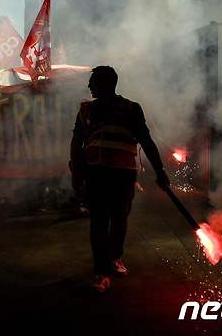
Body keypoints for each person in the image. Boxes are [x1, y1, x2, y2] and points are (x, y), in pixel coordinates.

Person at [70, 66, 170, 292]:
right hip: (95, 173)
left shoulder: (131, 110)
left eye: (93, 81)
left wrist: (160, 171)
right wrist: (77, 173)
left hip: (122, 175)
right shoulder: (85, 110)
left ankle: (115, 258)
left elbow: (146, 141)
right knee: (98, 222)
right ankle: (101, 272)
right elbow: (76, 145)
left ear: (107, 84)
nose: (89, 86)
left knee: (119, 220)